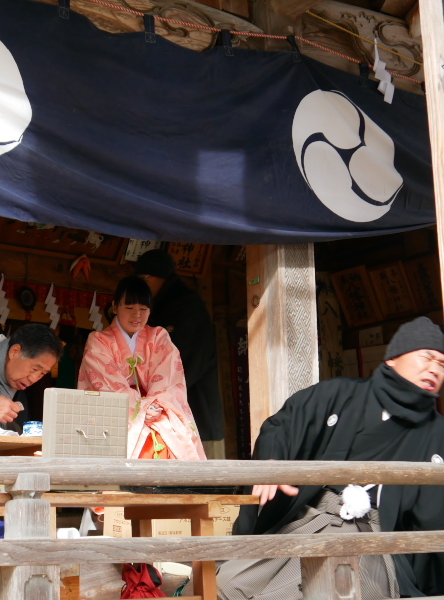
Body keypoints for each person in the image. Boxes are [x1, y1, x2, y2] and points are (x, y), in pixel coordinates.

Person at [217, 316, 444, 600]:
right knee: (229, 584)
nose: (434, 368)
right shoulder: (340, 394)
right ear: (393, 359)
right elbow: (284, 424)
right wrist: (271, 464)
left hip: (374, 540)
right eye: (427, 357)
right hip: (308, 523)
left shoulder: (437, 435)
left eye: (442, 364)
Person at [77, 276, 205, 461]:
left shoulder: (159, 336)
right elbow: (107, 383)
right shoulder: (99, 341)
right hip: (118, 411)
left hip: (158, 407)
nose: (136, 315)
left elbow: (168, 379)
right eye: (129, 308)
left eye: (143, 309)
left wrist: (154, 406)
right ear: (115, 307)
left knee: (172, 432)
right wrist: (141, 408)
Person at [134, 249, 224, 454]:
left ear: (160, 277)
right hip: (163, 413)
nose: (142, 286)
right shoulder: (160, 306)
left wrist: (157, 399)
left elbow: (186, 366)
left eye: (144, 279)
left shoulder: (187, 308)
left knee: (202, 479)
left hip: (193, 413)